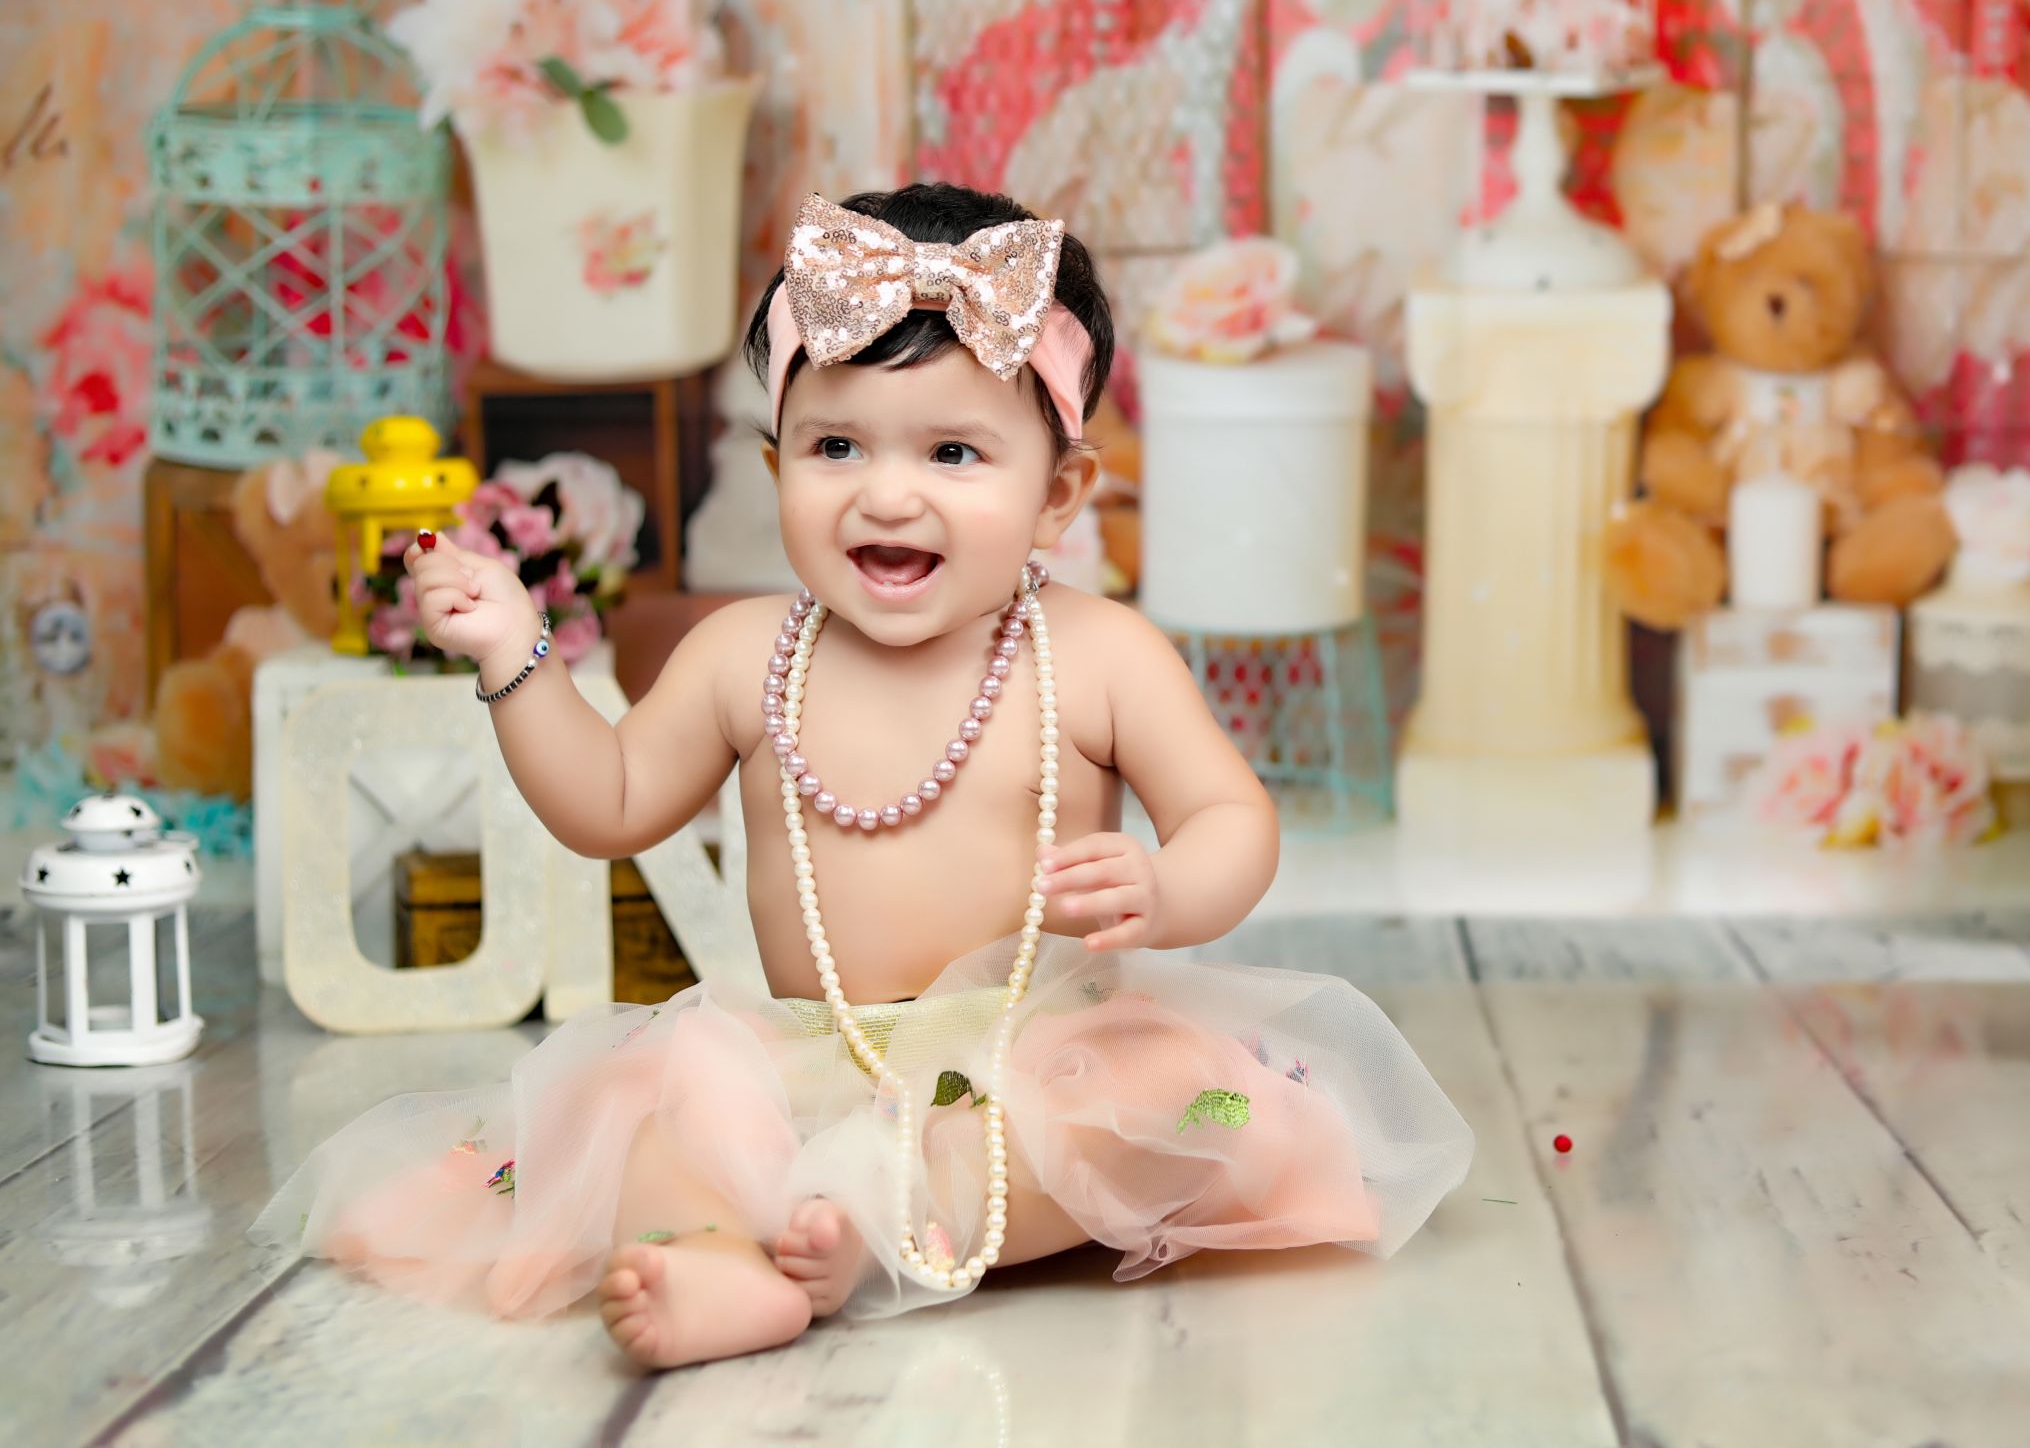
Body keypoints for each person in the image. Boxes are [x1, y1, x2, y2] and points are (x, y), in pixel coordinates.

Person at [253, 183, 1473, 1368]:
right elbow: (605, 805)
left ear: (1055, 496)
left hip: (1040, 1051)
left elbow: (1230, 815)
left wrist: (1171, 887)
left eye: (953, 451)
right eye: (835, 445)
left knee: (1165, 1106)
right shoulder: (743, 656)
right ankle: (719, 1260)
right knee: (655, 1126)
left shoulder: (1100, 655)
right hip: (801, 1064)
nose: (888, 493)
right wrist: (517, 653)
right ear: (776, 463)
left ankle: (883, 1224)